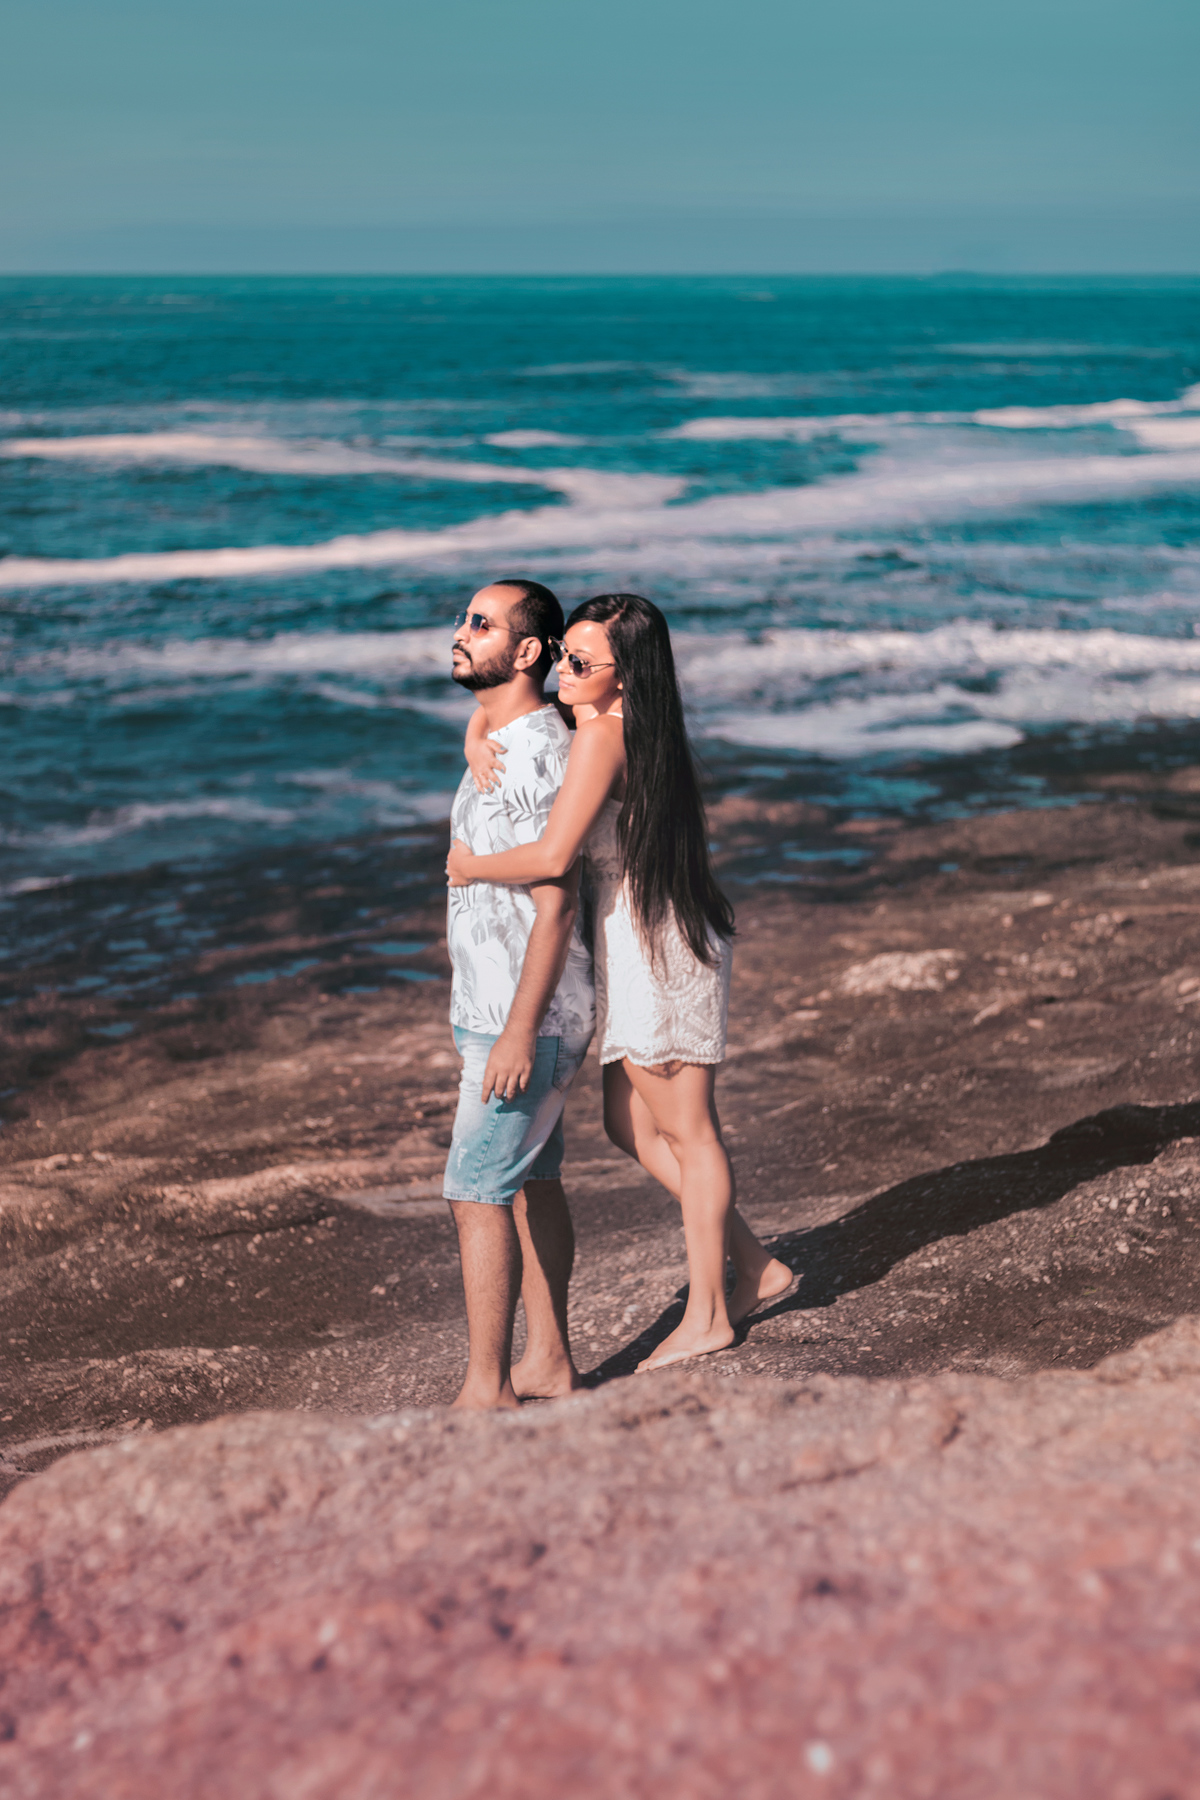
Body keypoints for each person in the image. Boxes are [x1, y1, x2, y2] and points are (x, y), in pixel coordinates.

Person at [449, 592, 794, 1372]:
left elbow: (548, 857)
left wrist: (468, 866)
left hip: (657, 939)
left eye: (581, 663)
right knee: (626, 1122)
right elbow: (503, 709)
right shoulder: (608, 724)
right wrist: (478, 732)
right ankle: (755, 1263)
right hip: (641, 933)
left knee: (688, 1131)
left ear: (624, 675)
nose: (564, 672)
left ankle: (709, 1311)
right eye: (562, 655)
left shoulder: (604, 737)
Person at [442, 578, 595, 1409]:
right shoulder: (502, 734)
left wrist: (517, 1031)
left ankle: (486, 1388)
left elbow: (556, 900)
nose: (459, 633)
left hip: (524, 1019)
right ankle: (551, 1363)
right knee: (532, 1180)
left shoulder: (537, 756)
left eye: (480, 623)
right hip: (503, 1009)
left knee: (475, 1193)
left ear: (528, 651)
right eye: (464, 618)